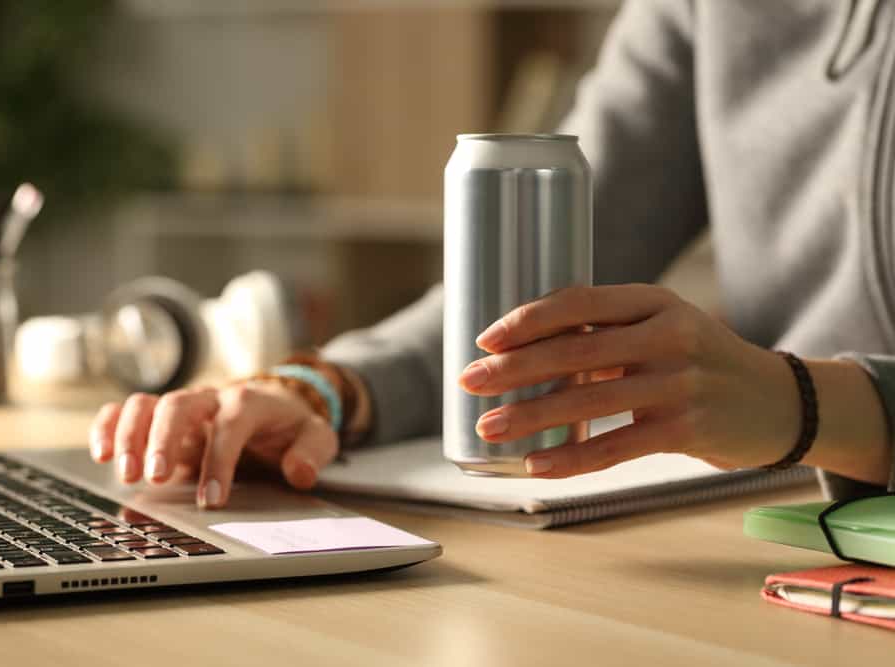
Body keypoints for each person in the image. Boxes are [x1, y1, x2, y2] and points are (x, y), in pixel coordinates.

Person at [88, 0, 895, 509]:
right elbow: (513, 313)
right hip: (786, 532)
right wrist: (323, 389)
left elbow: (794, 402)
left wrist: (810, 403)